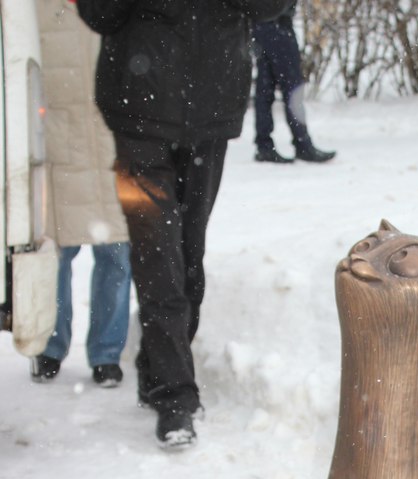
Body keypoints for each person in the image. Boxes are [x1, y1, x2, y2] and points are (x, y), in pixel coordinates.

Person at [76, 0, 292, 448]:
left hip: (211, 109)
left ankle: (158, 369)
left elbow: (270, 7)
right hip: (139, 113)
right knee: (158, 252)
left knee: (188, 253)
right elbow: (100, 13)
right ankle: (175, 395)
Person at [33, 0, 131, 388]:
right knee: (55, 254)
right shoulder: (33, 8)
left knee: (116, 255)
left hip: (112, 146)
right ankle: (49, 344)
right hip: (57, 150)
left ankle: (107, 354)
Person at [252, 2, 336, 164]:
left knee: (266, 86)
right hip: (276, 22)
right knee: (291, 87)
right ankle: (301, 143)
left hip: (264, 22)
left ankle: (264, 145)